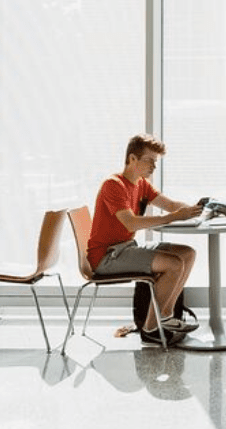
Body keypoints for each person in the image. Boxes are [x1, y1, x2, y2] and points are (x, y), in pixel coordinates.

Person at [86, 133, 203, 344]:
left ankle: (165, 317)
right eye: (149, 161)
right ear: (132, 159)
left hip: (126, 248)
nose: (153, 167)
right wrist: (174, 217)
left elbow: (170, 205)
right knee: (174, 264)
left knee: (187, 253)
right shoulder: (113, 185)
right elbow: (130, 223)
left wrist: (196, 210)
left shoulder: (141, 184)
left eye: (155, 162)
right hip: (106, 257)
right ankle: (151, 328)